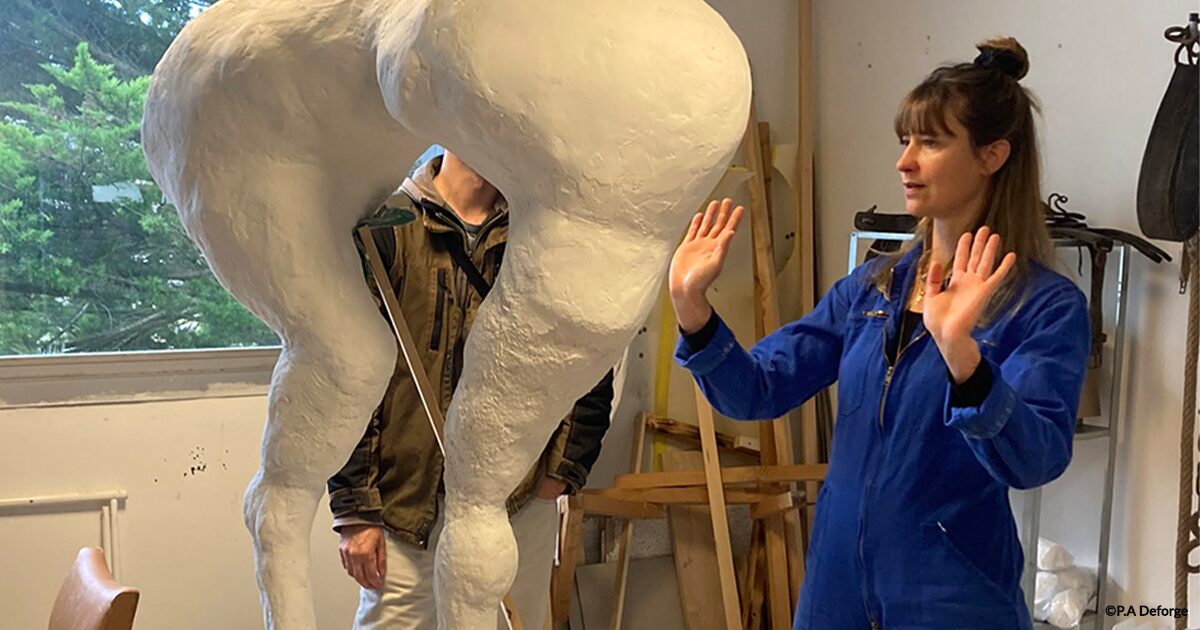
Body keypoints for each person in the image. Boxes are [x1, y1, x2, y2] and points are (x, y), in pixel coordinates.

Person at [669, 38, 1089, 630]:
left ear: (992, 155)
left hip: (951, 604)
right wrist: (692, 307)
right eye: (905, 141)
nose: (905, 161)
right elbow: (755, 391)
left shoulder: (1044, 307)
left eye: (931, 142)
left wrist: (963, 357)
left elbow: (1033, 460)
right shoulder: (871, 289)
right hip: (834, 595)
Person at [327, 149, 615, 630]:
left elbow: (590, 354)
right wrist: (355, 508)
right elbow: (343, 371)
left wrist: (562, 471)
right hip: (407, 509)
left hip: (517, 505)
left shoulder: (545, 238)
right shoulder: (386, 228)